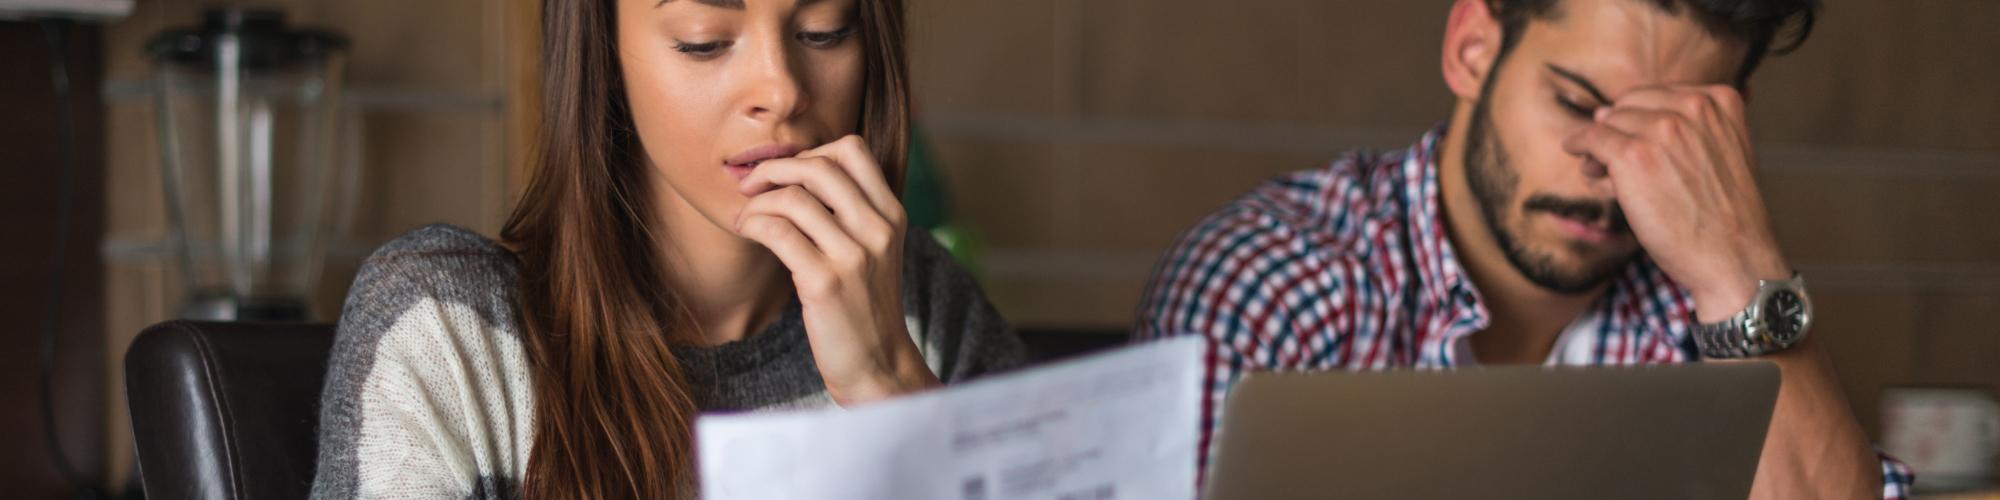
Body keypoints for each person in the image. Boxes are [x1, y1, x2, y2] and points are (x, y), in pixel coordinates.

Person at [1133, 0, 1913, 497]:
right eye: (1576, 101)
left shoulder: (1710, 305)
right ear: (1473, 47)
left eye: (1661, 133)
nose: (1609, 164)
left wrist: (1740, 266)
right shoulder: (1271, 279)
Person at [309, 0, 1024, 497]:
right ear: (604, 55)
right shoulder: (449, 333)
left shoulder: (924, 309)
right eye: (704, 39)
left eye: (824, 31)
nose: (779, 91)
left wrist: (888, 382)